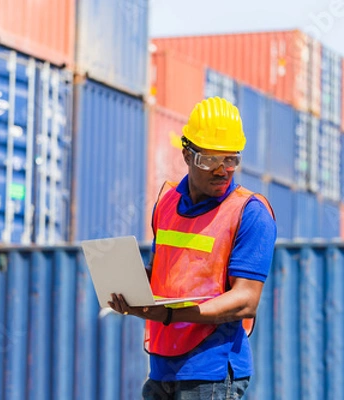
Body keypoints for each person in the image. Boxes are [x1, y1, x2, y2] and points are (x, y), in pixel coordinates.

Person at [109, 97, 277, 399]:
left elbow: (246, 300)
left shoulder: (250, 213)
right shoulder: (166, 203)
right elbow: (166, 275)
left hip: (211, 373)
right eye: (210, 159)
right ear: (187, 154)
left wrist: (172, 315)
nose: (222, 170)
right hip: (161, 366)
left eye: (230, 159)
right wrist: (129, 287)